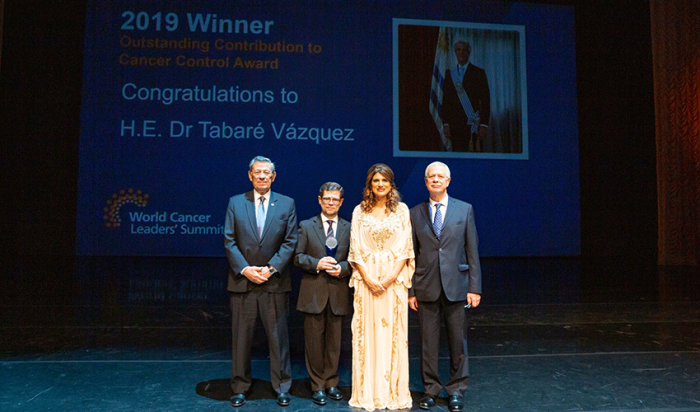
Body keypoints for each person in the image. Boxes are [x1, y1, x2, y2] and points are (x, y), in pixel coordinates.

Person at [224, 156, 297, 408]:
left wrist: (270, 269)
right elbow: (229, 241)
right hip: (243, 283)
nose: (262, 176)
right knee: (241, 339)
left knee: (279, 339)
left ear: (273, 176)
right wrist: (245, 269)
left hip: (273, 283)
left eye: (267, 173)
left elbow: (290, 242)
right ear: (250, 175)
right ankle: (240, 386)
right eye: (258, 172)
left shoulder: (287, 204)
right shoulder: (235, 202)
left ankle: (282, 386)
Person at [408, 161, 482, 412]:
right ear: (426, 181)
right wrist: (410, 291)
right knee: (428, 344)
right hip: (425, 287)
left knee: (457, 343)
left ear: (448, 181)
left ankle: (456, 390)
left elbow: (472, 251)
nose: (436, 180)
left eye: (441, 176)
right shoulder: (414, 212)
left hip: (458, 286)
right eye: (431, 176)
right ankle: (430, 389)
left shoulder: (464, 210)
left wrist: (475, 288)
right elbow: (412, 254)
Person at [347, 163, 415, 411]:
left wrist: (387, 280)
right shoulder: (358, 211)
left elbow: (406, 250)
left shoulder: (402, 210)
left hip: (393, 284)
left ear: (391, 184)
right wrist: (368, 278)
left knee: (393, 336)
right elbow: (355, 251)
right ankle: (369, 393)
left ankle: (392, 393)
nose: (380, 184)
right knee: (367, 336)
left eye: (384, 180)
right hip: (367, 284)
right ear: (370, 184)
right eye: (375, 180)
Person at [294, 182, 352, 406]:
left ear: (341, 202)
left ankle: (331, 383)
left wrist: (343, 268)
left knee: (334, 343)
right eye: (327, 199)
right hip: (313, 294)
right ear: (319, 200)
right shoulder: (306, 226)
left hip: (338, 292)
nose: (330, 203)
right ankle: (317, 385)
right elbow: (297, 257)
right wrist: (318, 263)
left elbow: (354, 260)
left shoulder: (349, 227)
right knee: (314, 343)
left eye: (335, 199)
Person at [442, 40, 491, 152]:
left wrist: (484, 124)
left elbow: (485, 100)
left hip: (473, 124)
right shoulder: (449, 74)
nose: (461, 52)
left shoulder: (479, 73)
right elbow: (446, 101)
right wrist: (445, 123)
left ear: (469, 52)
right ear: (455, 52)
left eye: (464, 50)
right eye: (458, 50)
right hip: (455, 126)